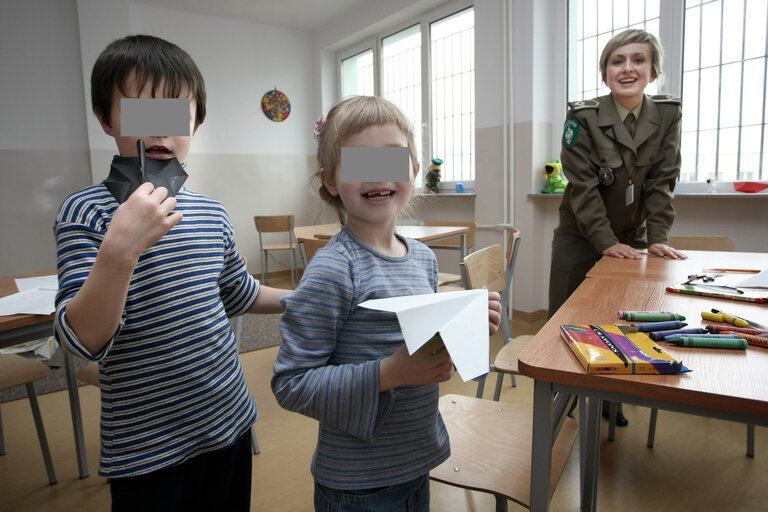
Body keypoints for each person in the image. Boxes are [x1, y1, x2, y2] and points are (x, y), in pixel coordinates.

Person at [54, 35, 288, 511]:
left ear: (197, 123)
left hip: (228, 420)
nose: (160, 130)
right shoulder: (86, 213)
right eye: (141, 112)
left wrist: (306, 297)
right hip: (145, 449)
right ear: (106, 119)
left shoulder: (210, 212)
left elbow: (239, 294)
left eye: (176, 115)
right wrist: (120, 249)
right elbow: (82, 341)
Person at [271, 96, 502, 511]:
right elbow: (291, 384)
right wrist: (390, 372)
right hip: (357, 485)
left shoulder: (424, 258)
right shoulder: (334, 269)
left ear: (413, 169)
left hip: (416, 462)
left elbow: (417, 345)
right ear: (330, 180)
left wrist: (459, 327)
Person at [548, 29, 687, 426]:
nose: (627, 68)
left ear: (653, 71)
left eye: (638, 59)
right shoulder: (583, 117)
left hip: (632, 237)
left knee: (621, 322)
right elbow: (584, 188)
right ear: (605, 73)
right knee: (566, 319)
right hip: (579, 237)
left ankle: (612, 400)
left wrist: (658, 239)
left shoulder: (667, 115)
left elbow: (662, 182)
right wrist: (605, 242)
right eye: (617, 61)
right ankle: (562, 398)